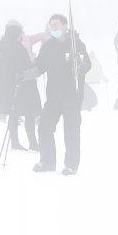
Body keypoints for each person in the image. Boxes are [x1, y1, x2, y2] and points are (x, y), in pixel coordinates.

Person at [31, 14, 91, 175]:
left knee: (71, 131)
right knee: (44, 127)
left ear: (65, 26)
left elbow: (87, 64)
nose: (53, 28)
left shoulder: (76, 43)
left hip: (72, 95)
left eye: (56, 25)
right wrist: (26, 74)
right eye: (51, 26)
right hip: (53, 95)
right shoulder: (48, 46)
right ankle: (47, 161)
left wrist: (79, 65)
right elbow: (40, 66)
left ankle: (71, 165)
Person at [0, 21, 41, 150]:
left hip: (8, 86)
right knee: (30, 114)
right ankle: (33, 142)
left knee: (13, 114)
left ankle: (15, 142)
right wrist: (36, 63)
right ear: (18, 34)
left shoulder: (3, 47)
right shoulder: (19, 48)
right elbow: (26, 66)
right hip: (24, 86)